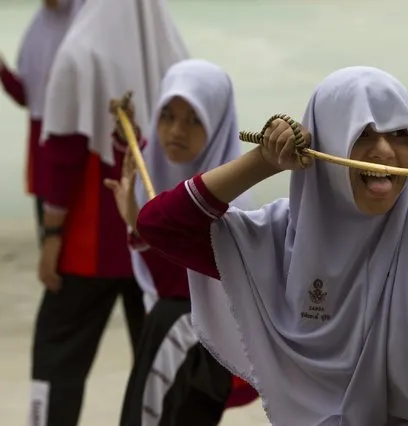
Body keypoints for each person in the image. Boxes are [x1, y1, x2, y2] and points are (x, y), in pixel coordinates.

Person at [135, 66, 408, 425]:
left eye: (398, 135)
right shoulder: (280, 239)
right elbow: (159, 227)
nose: (384, 152)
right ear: (327, 146)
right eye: (364, 134)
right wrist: (264, 160)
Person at [31, 0, 189, 424]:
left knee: (58, 356)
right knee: (157, 367)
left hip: (89, 244)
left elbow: (63, 153)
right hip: (156, 244)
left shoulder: (78, 51)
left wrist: (50, 237)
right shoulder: (176, 53)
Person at [105, 59, 259, 426]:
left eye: (194, 120)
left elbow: (182, 285)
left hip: (190, 338)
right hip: (176, 332)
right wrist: (121, 133)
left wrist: (137, 226)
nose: (176, 130)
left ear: (218, 125)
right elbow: (136, 168)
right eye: (168, 116)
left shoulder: (229, 203)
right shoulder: (160, 169)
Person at [0, 0, 84, 243]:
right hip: (42, 145)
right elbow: (27, 97)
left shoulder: (81, 30)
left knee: (72, 234)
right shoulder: (38, 27)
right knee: (47, 232)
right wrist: (3, 71)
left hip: (74, 145)